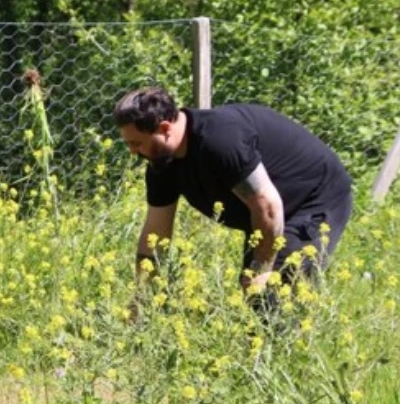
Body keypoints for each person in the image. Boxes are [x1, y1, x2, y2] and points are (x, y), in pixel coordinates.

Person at [113, 87, 353, 298]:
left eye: (136, 143)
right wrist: (141, 297)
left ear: (165, 128)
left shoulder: (219, 141)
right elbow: (155, 232)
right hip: (266, 213)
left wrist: (261, 269)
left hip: (313, 198)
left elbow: (268, 205)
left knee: (272, 296)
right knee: (254, 299)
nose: (134, 152)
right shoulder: (162, 163)